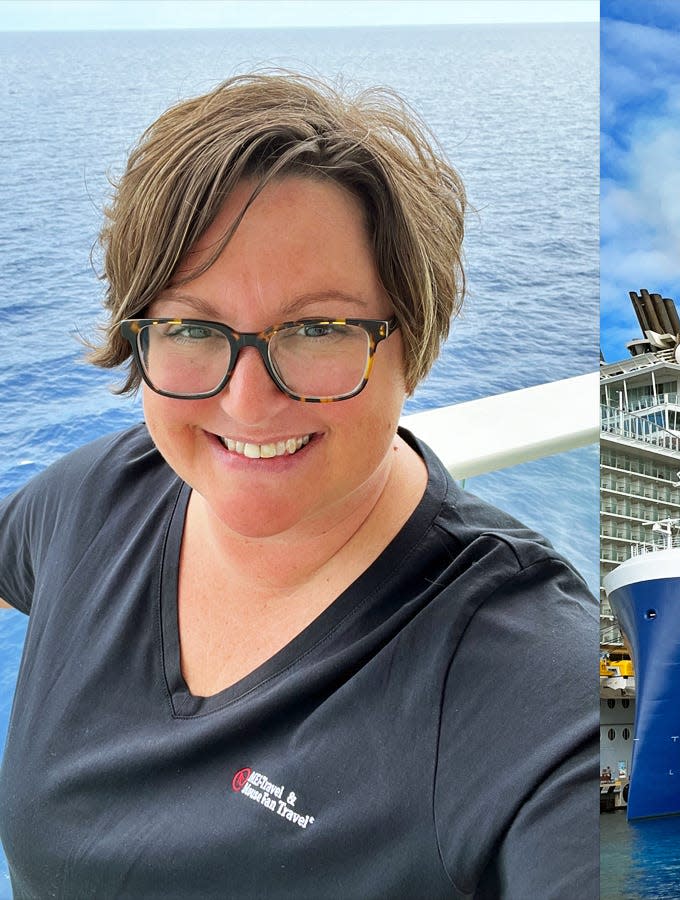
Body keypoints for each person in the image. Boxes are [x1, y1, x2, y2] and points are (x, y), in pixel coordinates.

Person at [0, 73, 597, 897]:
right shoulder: (99, 498)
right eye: (189, 327)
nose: (247, 401)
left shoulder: (517, 680)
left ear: (409, 342)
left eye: (318, 328)